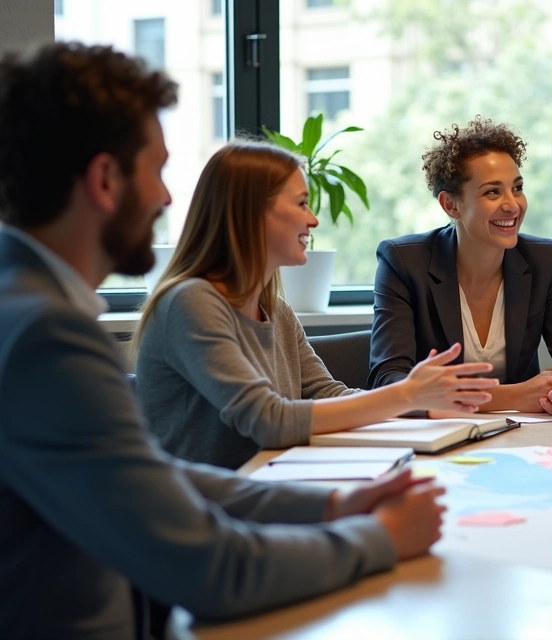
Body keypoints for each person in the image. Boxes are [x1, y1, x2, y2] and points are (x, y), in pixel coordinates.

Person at [0, 42, 446, 638]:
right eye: (156, 170)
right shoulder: (46, 335)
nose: (164, 198)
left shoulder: (27, 307)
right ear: (105, 180)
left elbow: (157, 474)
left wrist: (332, 507)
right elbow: (215, 571)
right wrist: (381, 537)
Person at [136, 141, 498, 469]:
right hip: (208, 514)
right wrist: (405, 394)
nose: (313, 219)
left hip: (269, 489)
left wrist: (423, 403)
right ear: (250, 213)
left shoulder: (276, 310)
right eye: (301, 203)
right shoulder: (190, 303)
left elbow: (329, 396)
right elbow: (269, 422)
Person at [370, 116, 552, 415]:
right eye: (493, 192)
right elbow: (388, 383)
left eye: (517, 188)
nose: (512, 205)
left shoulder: (543, 259)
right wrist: (514, 397)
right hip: (436, 441)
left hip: (521, 439)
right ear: (451, 205)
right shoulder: (403, 263)